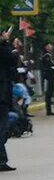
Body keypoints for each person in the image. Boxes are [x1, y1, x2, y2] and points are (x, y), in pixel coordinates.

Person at [0, 28, 17, 172]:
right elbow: (13, 60)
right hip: (1, 95)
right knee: (2, 128)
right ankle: (1, 160)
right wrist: (6, 42)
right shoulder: (3, 49)